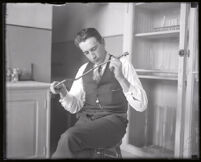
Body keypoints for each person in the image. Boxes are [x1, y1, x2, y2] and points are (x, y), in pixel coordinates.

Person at [50, 28, 148, 159]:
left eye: (94, 49)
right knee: (80, 154)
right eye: (86, 52)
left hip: (113, 122)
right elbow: (75, 107)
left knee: (68, 137)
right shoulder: (83, 69)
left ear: (103, 42)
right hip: (86, 123)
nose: (92, 56)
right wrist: (63, 92)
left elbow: (141, 105)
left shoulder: (123, 65)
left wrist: (121, 78)